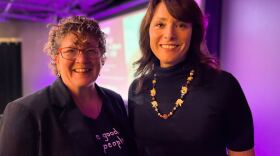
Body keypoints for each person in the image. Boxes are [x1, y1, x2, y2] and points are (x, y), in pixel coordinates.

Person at [128, 0, 254, 155]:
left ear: (194, 32)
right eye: (160, 25)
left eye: (181, 25)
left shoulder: (223, 85)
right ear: (148, 30)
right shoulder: (137, 88)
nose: (169, 35)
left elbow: (242, 152)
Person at [0, 16, 136, 156]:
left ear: (101, 57)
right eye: (71, 51)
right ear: (56, 58)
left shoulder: (115, 101)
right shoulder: (27, 112)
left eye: (90, 50)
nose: (82, 59)